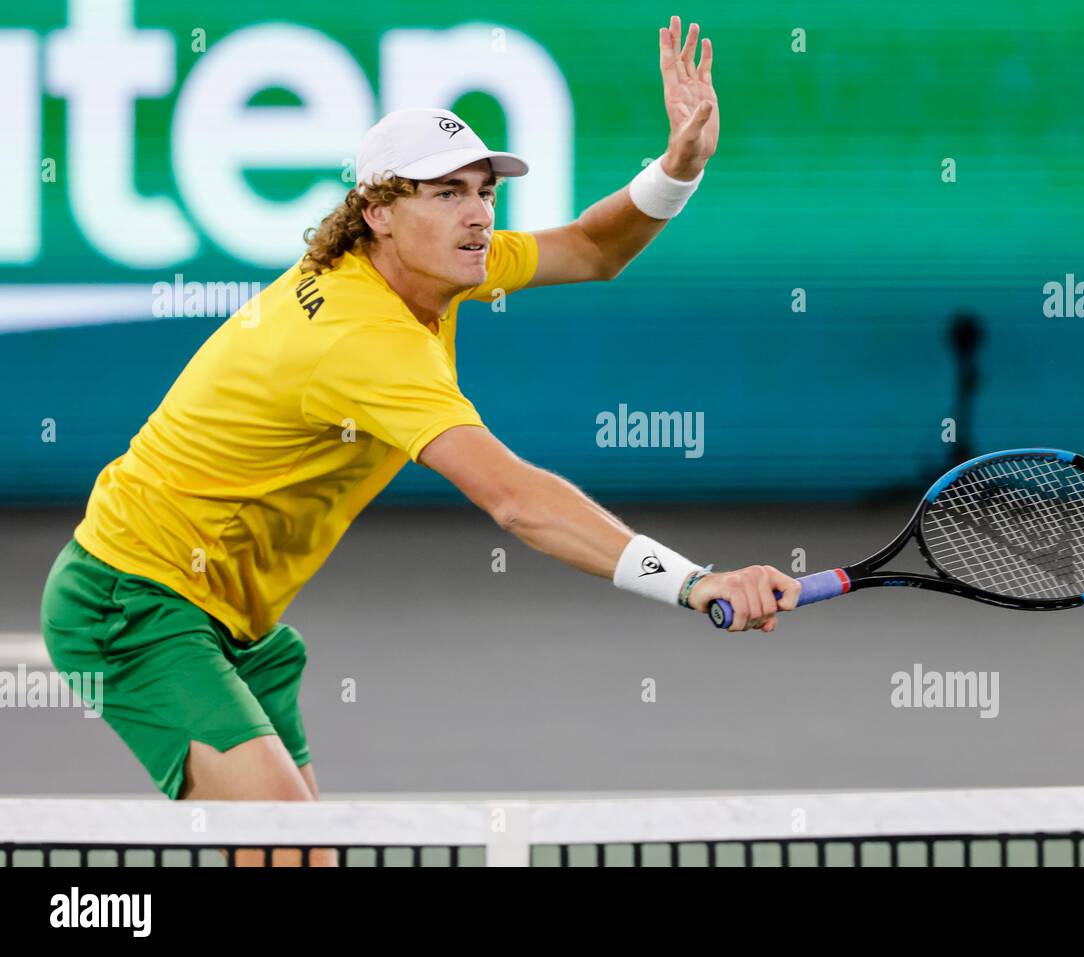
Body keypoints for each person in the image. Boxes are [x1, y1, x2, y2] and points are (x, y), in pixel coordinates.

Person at [39, 17, 799, 852]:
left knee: (294, 855)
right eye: (447, 194)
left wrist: (678, 168)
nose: (477, 216)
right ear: (378, 212)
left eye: (484, 191)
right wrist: (692, 582)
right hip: (132, 601)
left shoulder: (429, 266)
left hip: (232, 614)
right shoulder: (363, 340)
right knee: (287, 845)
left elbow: (590, 247)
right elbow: (514, 499)